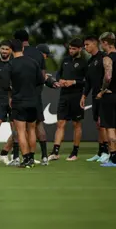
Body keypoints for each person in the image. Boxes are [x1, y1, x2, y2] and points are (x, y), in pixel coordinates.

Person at [6, 39, 45, 168]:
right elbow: (40, 80)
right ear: (23, 49)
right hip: (33, 101)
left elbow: (7, 85)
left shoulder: (10, 65)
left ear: (11, 50)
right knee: (32, 129)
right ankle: (32, 158)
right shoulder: (33, 62)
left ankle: (26, 159)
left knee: (21, 131)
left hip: (19, 101)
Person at [48, 38, 88, 161]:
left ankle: (74, 152)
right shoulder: (65, 60)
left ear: (80, 49)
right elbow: (59, 74)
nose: (71, 51)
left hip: (77, 96)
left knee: (76, 124)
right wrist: (60, 80)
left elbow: (87, 81)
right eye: (70, 48)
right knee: (60, 123)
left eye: (74, 49)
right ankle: (55, 152)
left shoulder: (85, 62)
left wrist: (73, 82)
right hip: (64, 95)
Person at [14, 29, 48, 165]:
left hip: (18, 97)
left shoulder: (15, 57)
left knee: (20, 129)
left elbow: (9, 80)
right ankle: (43, 156)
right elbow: (43, 77)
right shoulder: (38, 54)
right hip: (35, 96)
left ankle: (20, 157)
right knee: (35, 126)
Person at [80, 35, 109, 163]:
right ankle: (101, 151)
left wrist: (103, 92)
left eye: (87, 45)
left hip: (104, 96)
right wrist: (84, 95)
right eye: (84, 45)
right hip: (94, 97)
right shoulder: (90, 61)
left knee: (103, 124)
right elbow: (88, 82)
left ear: (94, 44)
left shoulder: (104, 57)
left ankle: (108, 151)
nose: (85, 47)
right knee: (98, 125)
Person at [97, 32, 116, 167]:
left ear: (105, 42)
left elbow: (108, 77)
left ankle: (114, 158)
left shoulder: (107, 58)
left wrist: (102, 91)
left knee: (110, 127)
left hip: (110, 95)